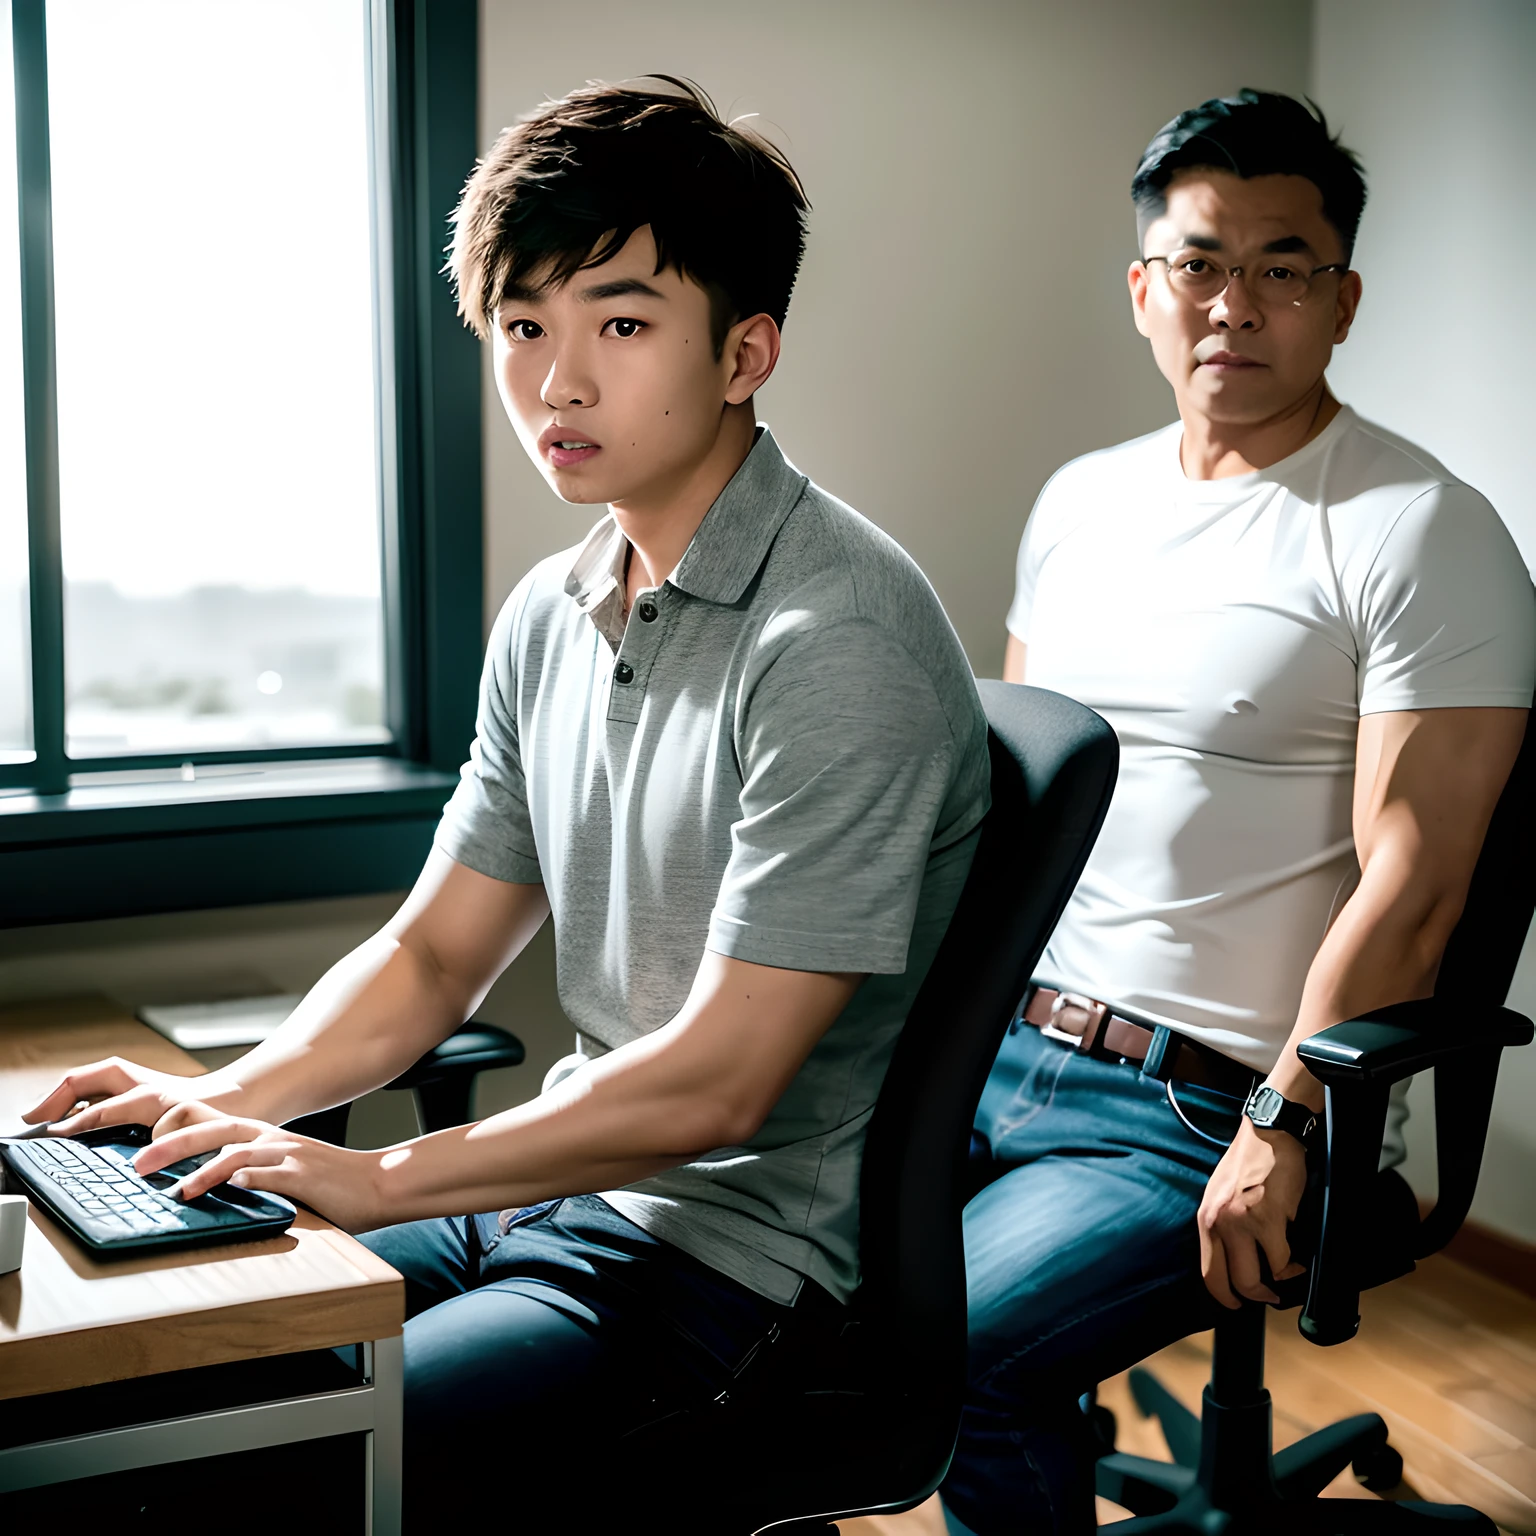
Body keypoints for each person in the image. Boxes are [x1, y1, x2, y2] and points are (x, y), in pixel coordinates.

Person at [26, 80, 990, 1530]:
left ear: (745, 352)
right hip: (551, 1209)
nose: (557, 383)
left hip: (732, 1276)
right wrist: (210, 1110)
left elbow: (720, 1084)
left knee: (270, 1458)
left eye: (618, 323)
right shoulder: (555, 607)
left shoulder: (834, 640)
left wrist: (377, 1176)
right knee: (133, 1378)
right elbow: (430, 957)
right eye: (524, 328)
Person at [942, 89, 1535, 1536]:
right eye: (1202, 262)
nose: (1237, 303)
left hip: (1205, 1102)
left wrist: (1283, 1119)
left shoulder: (1418, 528)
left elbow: (1418, 883)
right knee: (754, 1260)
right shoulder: (1078, 505)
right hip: (1009, 1043)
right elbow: (1021, 815)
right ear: (1145, 289)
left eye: (1284, 265)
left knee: (958, 1357)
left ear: (1342, 300)